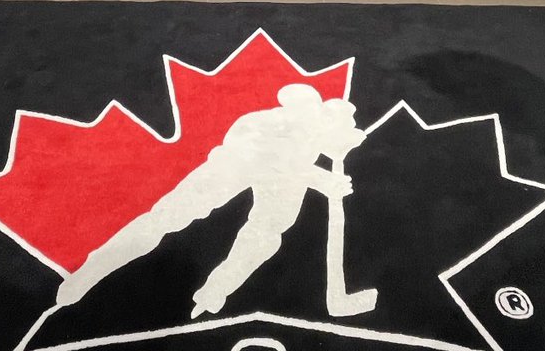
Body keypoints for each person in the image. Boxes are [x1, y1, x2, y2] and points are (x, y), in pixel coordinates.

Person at [55, 84, 367, 319]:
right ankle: (92, 269)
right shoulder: (278, 116)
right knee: (166, 217)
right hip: (236, 162)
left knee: (266, 233)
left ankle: (216, 290)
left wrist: (342, 146)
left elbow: (335, 145)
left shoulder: (321, 130)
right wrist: (319, 177)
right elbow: (266, 153)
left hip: (284, 179)